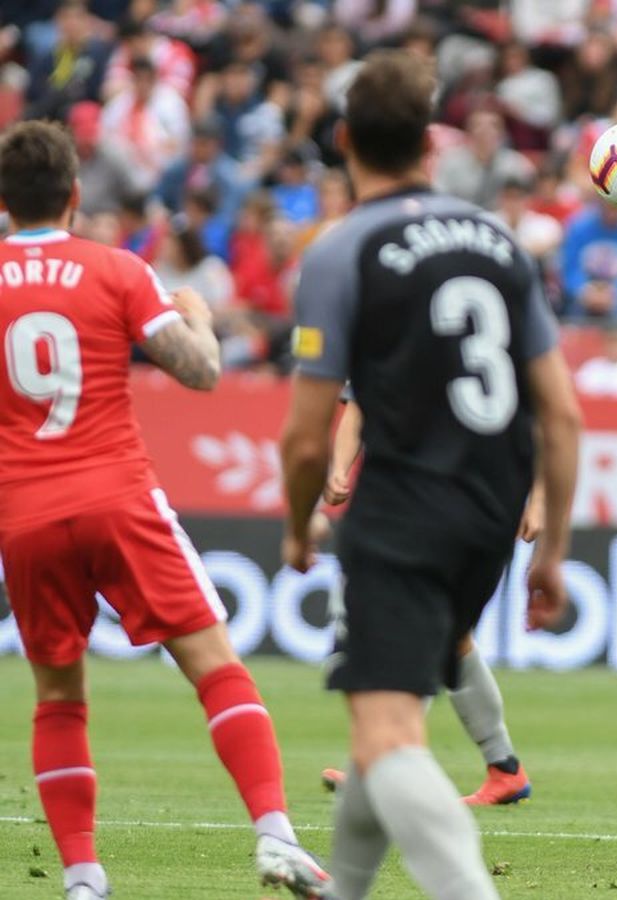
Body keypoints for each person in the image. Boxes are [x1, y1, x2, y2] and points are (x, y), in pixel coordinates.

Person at [278, 51, 582, 900]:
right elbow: (560, 413)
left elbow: (306, 437)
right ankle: (344, 890)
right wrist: (553, 541)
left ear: (342, 141)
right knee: (394, 716)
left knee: (384, 732)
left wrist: (297, 524)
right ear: (431, 146)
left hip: (403, 507)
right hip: (489, 513)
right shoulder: (498, 243)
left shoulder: (342, 251)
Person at [0, 120, 330, 900]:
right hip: (116, 495)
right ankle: (276, 837)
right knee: (215, 666)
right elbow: (202, 371)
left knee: (56, 696)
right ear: (76, 196)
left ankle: (83, 879)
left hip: (25, 514)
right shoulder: (116, 270)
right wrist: (198, 313)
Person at [317, 397, 543, 806]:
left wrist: (541, 497)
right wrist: (339, 466)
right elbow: (359, 404)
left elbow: (545, 413)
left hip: (466, 502)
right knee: (449, 637)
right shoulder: (388, 334)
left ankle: (380, 761)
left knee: (423, 628)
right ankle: (504, 768)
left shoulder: (495, 334)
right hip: (405, 500)